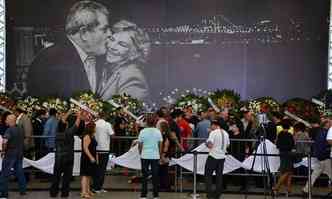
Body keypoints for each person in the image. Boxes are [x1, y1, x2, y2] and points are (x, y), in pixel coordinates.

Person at [27, 0, 112, 97]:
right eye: (104, 29)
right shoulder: (48, 62)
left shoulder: (101, 59)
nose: (110, 34)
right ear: (84, 33)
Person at [97, 20, 150, 101]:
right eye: (112, 39)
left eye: (122, 44)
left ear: (134, 54)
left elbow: (125, 112)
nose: (112, 46)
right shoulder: (108, 69)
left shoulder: (133, 77)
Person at [50, 110, 85, 198]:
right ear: (66, 126)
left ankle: (53, 193)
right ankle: (64, 194)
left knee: (56, 177)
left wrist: (68, 113)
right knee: (66, 178)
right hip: (68, 158)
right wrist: (79, 116)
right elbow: (76, 125)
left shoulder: (57, 134)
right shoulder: (69, 133)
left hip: (58, 158)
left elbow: (62, 122)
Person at [0, 114, 26, 198]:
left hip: (10, 154)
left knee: (4, 174)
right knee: (20, 172)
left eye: (7, 119)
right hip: (19, 153)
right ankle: (23, 191)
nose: (5, 121)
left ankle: (4, 194)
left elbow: (5, 142)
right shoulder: (21, 129)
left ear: (11, 120)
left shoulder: (9, 130)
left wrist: (3, 151)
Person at [138, 114, 163, 199]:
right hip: (155, 156)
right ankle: (156, 195)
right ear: (154, 122)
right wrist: (159, 154)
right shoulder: (158, 131)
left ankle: (143, 195)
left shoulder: (142, 131)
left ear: (147, 122)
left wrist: (141, 153)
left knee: (144, 175)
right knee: (155, 176)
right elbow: (160, 144)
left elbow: (140, 144)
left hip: (144, 155)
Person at [204, 120, 230, 199]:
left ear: (215, 125)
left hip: (213, 156)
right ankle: (217, 194)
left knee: (208, 175)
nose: (211, 127)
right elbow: (228, 145)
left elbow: (210, 145)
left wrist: (206, 142)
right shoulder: (226, 133)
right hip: (222, 157)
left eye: (211, 125)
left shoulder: (213, 132)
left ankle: (209, 195)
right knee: (219, 176)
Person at [92, 114, 114, 193]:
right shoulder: (107, 124)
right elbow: (112, 135)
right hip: (104, 150)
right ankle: (98, 188)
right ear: (104, 117)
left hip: (96, 149)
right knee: (102, 169)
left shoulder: (95, 124)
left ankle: (96, 187)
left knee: (97, 169)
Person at [273, 121, 295, 194]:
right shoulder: (289, 135)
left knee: (288, 171)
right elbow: (292, 145)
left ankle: (288, 188)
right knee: (287, 171)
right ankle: (276, 187)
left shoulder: (279, 134)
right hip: (288, 153)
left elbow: (277, 144)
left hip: (281, 153)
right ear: (289, 128)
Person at [80, 122, 98, 199]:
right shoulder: (87, 136)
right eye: (95, 127)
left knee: (89, 175)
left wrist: (96, 157)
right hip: (87, 158)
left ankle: (87, 190)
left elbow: (93, 148)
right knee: (85, 175)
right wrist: (91, 157)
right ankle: (84, 192)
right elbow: (85, 148)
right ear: (91, 128)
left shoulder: (92, 136)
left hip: (91, 157)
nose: (96, 129)